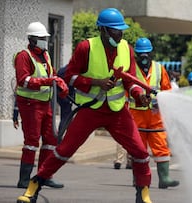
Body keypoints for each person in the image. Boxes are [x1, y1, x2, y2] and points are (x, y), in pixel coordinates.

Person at [17, 8, 153, 203]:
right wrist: (96, 82)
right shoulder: (85, 47)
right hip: (91, 109)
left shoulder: (127, 49)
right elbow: (69, 77)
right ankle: (34, 185)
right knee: (64, 150)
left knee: (140, 152)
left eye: (121, 30)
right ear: (104, 30)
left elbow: (130, 82)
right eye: (115, 30)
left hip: (117, 112)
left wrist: (139, 95)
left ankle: (143, 192)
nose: (120, 34)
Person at [13, 21, 68, 190]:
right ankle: (24, 180)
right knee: (31, 141)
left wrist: (59, 84)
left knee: (51, 140)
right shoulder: (24, 56)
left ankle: (45, 176)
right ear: (32, 39)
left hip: (46, 104)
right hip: (30, 105)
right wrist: (49, 81)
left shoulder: (46, 55)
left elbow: (50, 75)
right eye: (42, 38)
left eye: (45, 38)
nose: (45, 41)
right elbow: (24, 80)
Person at [128, 37, 179, 189]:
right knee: (138, 150)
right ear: (136, 54)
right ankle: (138, 179)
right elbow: (125, 90)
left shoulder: (159, 69)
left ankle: (164, 178)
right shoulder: (131, 70)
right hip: (137, 116)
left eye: (147, 53)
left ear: (151, 54)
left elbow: (167, 89)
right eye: (141, 54)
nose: (144, 57)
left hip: (155, 116)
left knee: (161, 147)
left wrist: (160, 100)